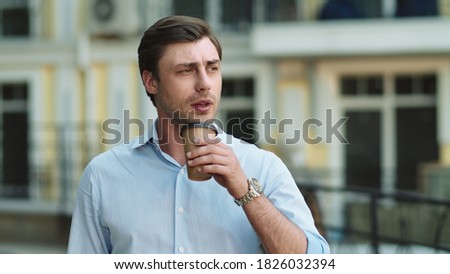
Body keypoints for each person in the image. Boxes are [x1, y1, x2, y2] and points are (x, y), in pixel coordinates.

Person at [67, 15, 330, 254]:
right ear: (151, 81)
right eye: (186, 70)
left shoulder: (263, 167)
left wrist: (246, 192)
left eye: (212, 68)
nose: (205, 83)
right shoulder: (102, 176)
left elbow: (314, 261)